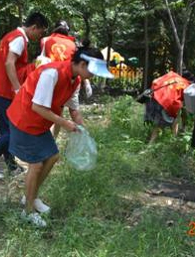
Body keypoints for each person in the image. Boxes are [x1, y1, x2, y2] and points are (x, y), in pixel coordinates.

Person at [6, 46, 114, 227]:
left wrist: (82, 129)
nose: (93, 76)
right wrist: (65, 124)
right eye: (92, 71)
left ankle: (30, 197)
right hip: (24, 119)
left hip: (40, 123)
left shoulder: (75, 80)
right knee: (36, 164)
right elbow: (37, 107)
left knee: (53, 156)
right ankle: (28, 211)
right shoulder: (52, 74)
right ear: (80, 63)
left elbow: (74, 109)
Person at [0, 12, 49, 179]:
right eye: (41, 32)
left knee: (6, 129)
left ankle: (11, 166)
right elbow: (9, 62)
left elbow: (1, 60)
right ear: (33, 27)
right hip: (4, 90)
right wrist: (17, 89)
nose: (40, 36)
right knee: (15, 129)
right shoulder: (19, 39)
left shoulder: (11, 36)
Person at [38, 20, 93, 138]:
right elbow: (79, 65)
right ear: (67, 31)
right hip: (71, 79)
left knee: (53, 110)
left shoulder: (45, 40)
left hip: (52, 79)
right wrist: (86, 82)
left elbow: (42, 60)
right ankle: (84, 137)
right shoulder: (74, 44)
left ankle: (51, 140)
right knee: (73, 110)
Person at [144, 71, 190, 144]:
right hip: (167, 101)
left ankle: (152, 141)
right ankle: (171, 142)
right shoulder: (186, 84)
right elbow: (184, 109)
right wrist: (184, 125)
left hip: (154, 97)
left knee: (158, 122)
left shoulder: (172, 76)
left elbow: (156, 82)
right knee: (161, 125)